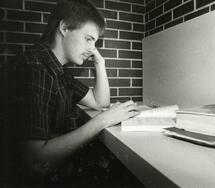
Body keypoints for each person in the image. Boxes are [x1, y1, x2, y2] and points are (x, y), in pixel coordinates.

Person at [2, 0, 140, 186]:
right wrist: (103, 120)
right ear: (64, 27)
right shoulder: (33, 68)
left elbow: (100, 102)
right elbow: (34, 163)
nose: (92, 48)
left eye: (95, 42)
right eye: (89, 39)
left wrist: (100, 63)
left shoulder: (58, 71)